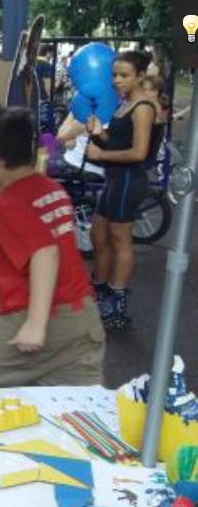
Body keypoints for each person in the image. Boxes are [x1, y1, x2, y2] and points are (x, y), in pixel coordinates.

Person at [0, 104, 105, 395]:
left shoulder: (9, 201)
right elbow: (26, 255)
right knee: (71, 409)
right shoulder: (50, 188)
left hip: (45, 315)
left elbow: (45, 254)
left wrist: (35, 324)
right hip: (82, 319)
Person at [85, 51, 157, 331]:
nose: (117, 80)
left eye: (124, 75)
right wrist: (100, 134)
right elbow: (116, 142)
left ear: (140, 75)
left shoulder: (142, 107)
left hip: (129, 180)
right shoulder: (124, 103)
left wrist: (101, 155)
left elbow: (139, 153)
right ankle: (100, 291)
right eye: (114, 74)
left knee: (119, 240)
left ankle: (117, 305)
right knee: (98, 235)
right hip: (116, 179)